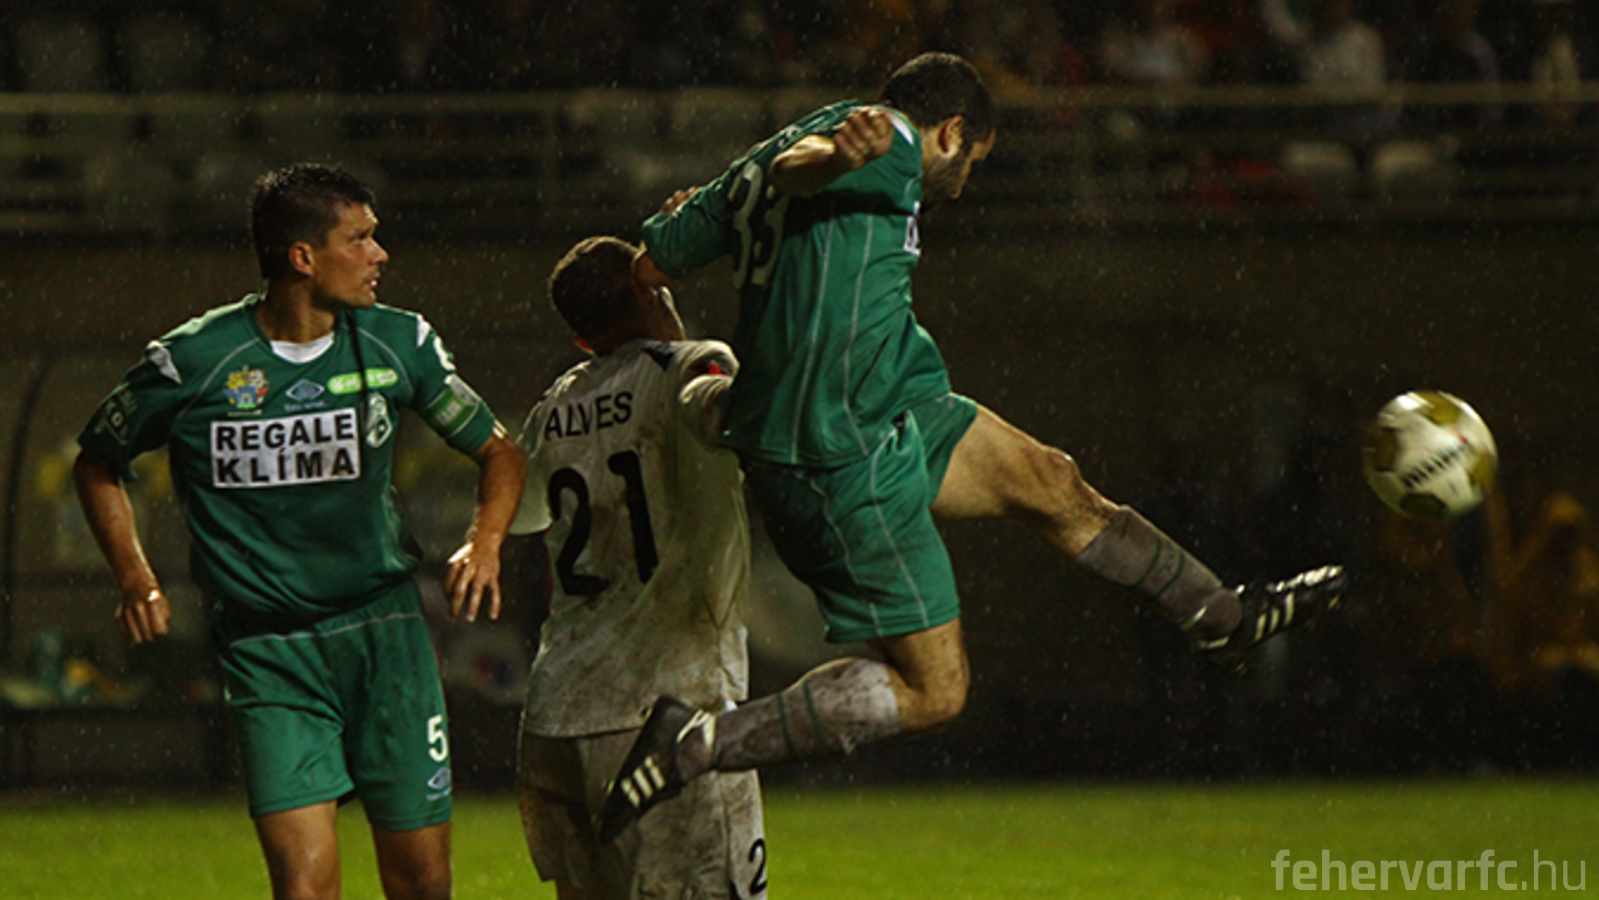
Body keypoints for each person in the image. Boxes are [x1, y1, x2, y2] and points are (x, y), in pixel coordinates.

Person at [599, 52, 1345, 840]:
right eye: (971, 163)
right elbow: (800, 169)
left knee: (1051, 480)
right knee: (935, 693)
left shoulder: (750, 164)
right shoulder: (885, 140)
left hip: (894, 402)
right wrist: (831, 161)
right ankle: (693, 742)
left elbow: (650, 264)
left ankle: (1221, 616)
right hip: (838, 453)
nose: (960, 185)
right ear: (951, 132)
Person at [73, 163, 526, 900]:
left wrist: (486, 541)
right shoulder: (194, 360)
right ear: (303, 257)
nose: (380, 254)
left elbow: (499, 452)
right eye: (361, 238)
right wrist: (135, 576)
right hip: (267, 648)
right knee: (304, 887)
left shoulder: (398, 342)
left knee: (422, 881)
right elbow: (98, 462)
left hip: (384, 636)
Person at [508, 235, 766, 898]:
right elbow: (730, 410)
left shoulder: (553, 406)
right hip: (669, 711)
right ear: (652, 292)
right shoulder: (689, 366)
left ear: (581, 338)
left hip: (554, 721)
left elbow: (523, 514)